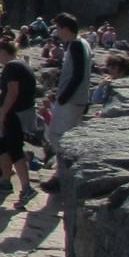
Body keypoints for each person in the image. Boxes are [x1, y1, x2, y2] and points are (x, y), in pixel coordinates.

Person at [41, 13, 91, 193]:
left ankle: (60, 178)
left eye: (58, 28)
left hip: (71, 100)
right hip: (77, 99)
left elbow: (77, 75)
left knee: (57, 136)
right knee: (63, 136)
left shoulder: (76, 45)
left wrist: (63, 97)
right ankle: (61, 174)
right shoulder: (83, 43)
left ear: (66, 28)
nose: (57, 32)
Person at [0, 39, 37, 208]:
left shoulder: (11, 66)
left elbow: (13, 93)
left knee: (15, 149)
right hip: (22, 111)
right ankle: (5, 180)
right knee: (1, 143)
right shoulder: (21, 63)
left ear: (3, 51)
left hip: (15, 113)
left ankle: (27, 188)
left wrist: (2, 114)